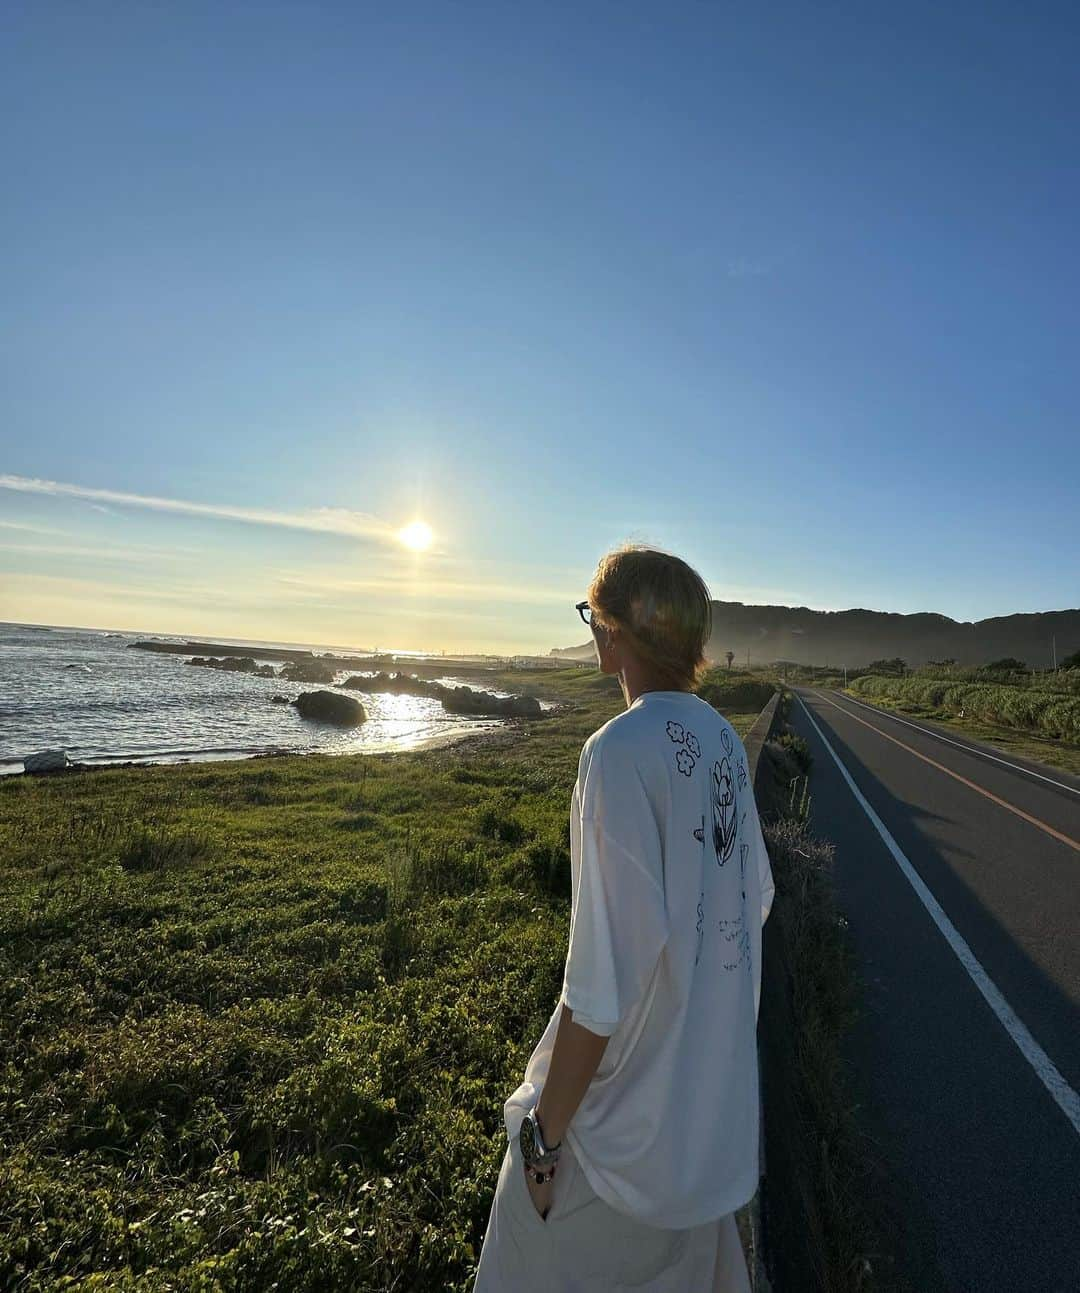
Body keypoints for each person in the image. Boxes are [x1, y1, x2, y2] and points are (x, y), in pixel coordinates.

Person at [473, 544, 775, 1292]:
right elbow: (749, 904)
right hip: (702, 1141)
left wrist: (542, 1144)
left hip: (620, 1146)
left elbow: (598, 989)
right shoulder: (726, 745)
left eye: (595, 617)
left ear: (614, 636)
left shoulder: (616, 752)